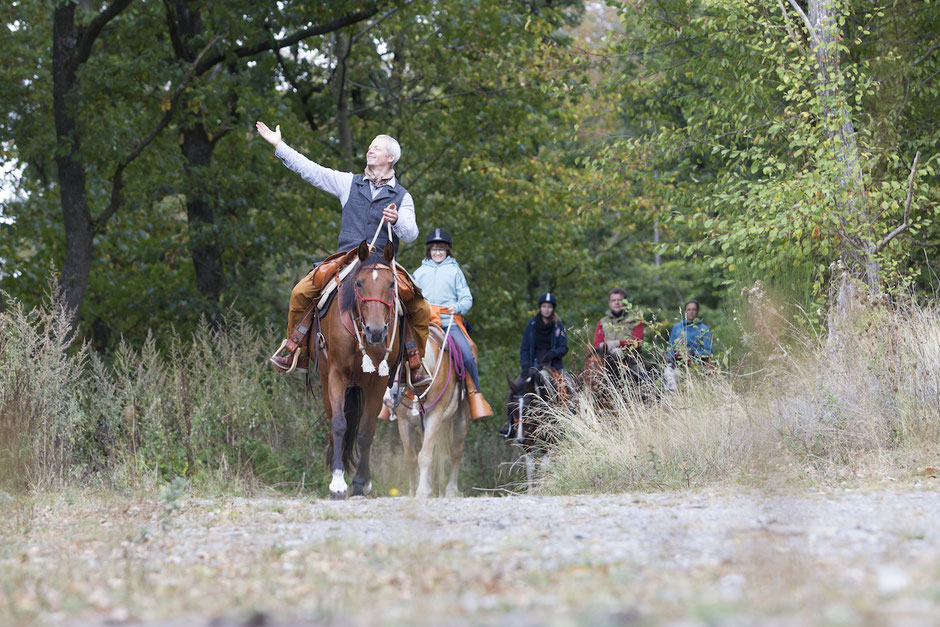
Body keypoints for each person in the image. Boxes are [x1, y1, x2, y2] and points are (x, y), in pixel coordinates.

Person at [255, 121, 430, 382]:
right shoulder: (348, 183)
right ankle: (296, 349)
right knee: (300, 292)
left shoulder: (402, 196)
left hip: (382, 265)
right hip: (346, 261)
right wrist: (279, 145)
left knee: (421, 309)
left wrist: (396, 220)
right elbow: (311, 170)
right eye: (370, 146)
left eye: (377, 148)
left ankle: (414, 364)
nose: (370, 150)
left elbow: (412, 234)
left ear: (391, 158)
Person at [411, 229, 493, 420]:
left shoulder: (455, 271)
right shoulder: (419, 272)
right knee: (400, 348)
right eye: (434, 249)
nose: (437, 252)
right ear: (429, 250)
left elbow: (467, 299)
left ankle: (475, 396)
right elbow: (412, 298)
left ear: (447, 250)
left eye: (441, 249)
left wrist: (457, 306)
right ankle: (390, 396)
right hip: (424, 323)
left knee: (467, 354)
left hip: (449, 323)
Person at [664, 299, 713, 391]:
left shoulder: (703, 329)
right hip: (677, 363)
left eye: (694, 310)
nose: (691, 312)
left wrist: (692, 354)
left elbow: (709, 351)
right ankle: (673, 398)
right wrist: (671, 358)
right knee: (669, 373)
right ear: (685, 311)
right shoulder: (677, 327)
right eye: (689, 309)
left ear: (697, 312)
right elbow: (670, 348)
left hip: (696, 364)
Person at [520, 293, 569, 374]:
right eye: (544, 306)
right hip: (533, 366)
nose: (546, 310)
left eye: (549, 307)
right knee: (515, 386)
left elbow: (564, 347)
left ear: (553, 308)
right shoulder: (531, 325)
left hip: (554, 367)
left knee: (569, 384)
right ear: (540, 308)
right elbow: (524, 348)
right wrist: (525, 366)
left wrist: (553, 353)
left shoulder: (558, 326)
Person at [593, 288, 644, 359]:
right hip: (606, 360)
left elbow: (637, 343)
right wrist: (605, 346)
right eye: (613, 300)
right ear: (609, 303)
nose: (616, 303)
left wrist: (618, 343)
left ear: (625, 302)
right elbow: (597, 345)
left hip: (631, 360)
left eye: (620, 300)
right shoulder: (602, 322)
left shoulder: (635, 320)